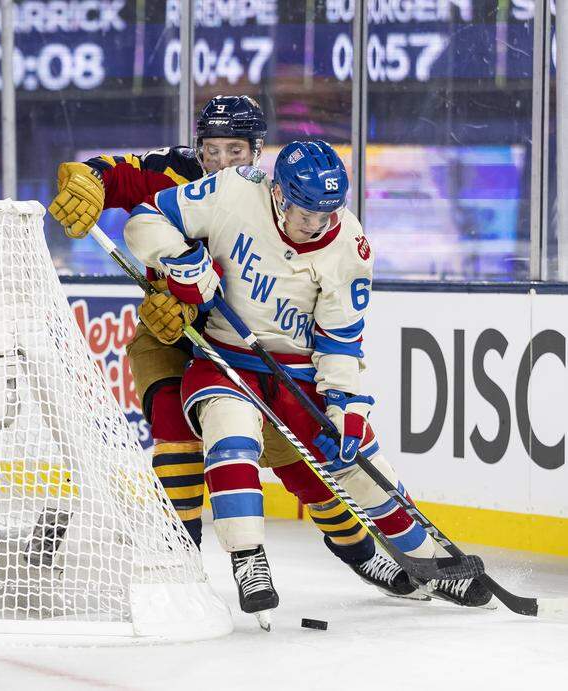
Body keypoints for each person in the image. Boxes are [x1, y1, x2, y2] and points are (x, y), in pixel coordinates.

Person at [49, 96, 412, 606]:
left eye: (234, 150)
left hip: (245, 350)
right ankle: (180, 563)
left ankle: (359, 550)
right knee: (175, 441)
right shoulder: (170, 171)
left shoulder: (264, 197)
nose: (219, 160)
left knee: (302, 468)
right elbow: (113, 177)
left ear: (257, 151)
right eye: (211, 148)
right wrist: (88, 181)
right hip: (172, 336)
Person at [123, 140, 492, 624]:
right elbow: (143, 221)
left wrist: (348, 407)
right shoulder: (234, 192)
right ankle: (248, 559)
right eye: (305, 212)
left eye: (326, 213)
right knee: (230, 435)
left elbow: (340, 341)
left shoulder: (349, 246)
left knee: (361, 469)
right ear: (278, 193)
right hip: (224, 359)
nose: (316, 224)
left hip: (298, 376)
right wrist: (180, 258)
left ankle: (431, 563)